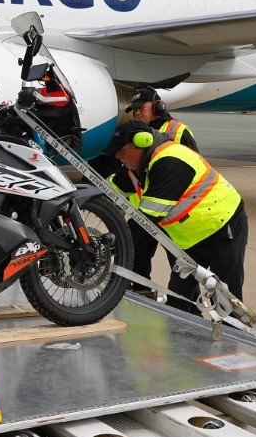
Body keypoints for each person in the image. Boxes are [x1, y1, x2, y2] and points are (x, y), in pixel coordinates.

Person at [105, 121, 247, 312]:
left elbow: (146, 221)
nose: (117, 155)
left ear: (142, 142)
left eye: (122, 149)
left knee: (226, 296)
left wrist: (109, 245)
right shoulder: (134, 169)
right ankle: (189, 336)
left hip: (221, 228)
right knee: (179, 298)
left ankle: (234, 338)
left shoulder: (171, 161)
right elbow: (106, 191)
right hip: (188, 240)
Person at [121, 88, 199, 296]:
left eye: (141, 107)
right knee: (136, 254)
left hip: (173, 213)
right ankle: (141, 291)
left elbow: (193, 167)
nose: (137, 112)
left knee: (180, 264)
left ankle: (189, 307)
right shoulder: (136, 134)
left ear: (158, 106)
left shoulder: (177, 130)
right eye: (134, 109)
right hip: (147, 210)